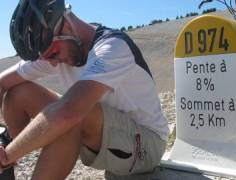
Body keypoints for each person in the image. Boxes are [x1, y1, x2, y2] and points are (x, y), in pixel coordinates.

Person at [0, 0, 169, 179]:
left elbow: (69, 113)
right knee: (18, 94)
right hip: (105, 135)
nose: (52, 62)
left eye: (52, 54)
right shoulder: (61, 46)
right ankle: (8, 169)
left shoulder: (112, 47)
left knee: (71, 114)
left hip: (147, 145)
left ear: (66, 25)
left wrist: (8, 154)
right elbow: (2, 83)